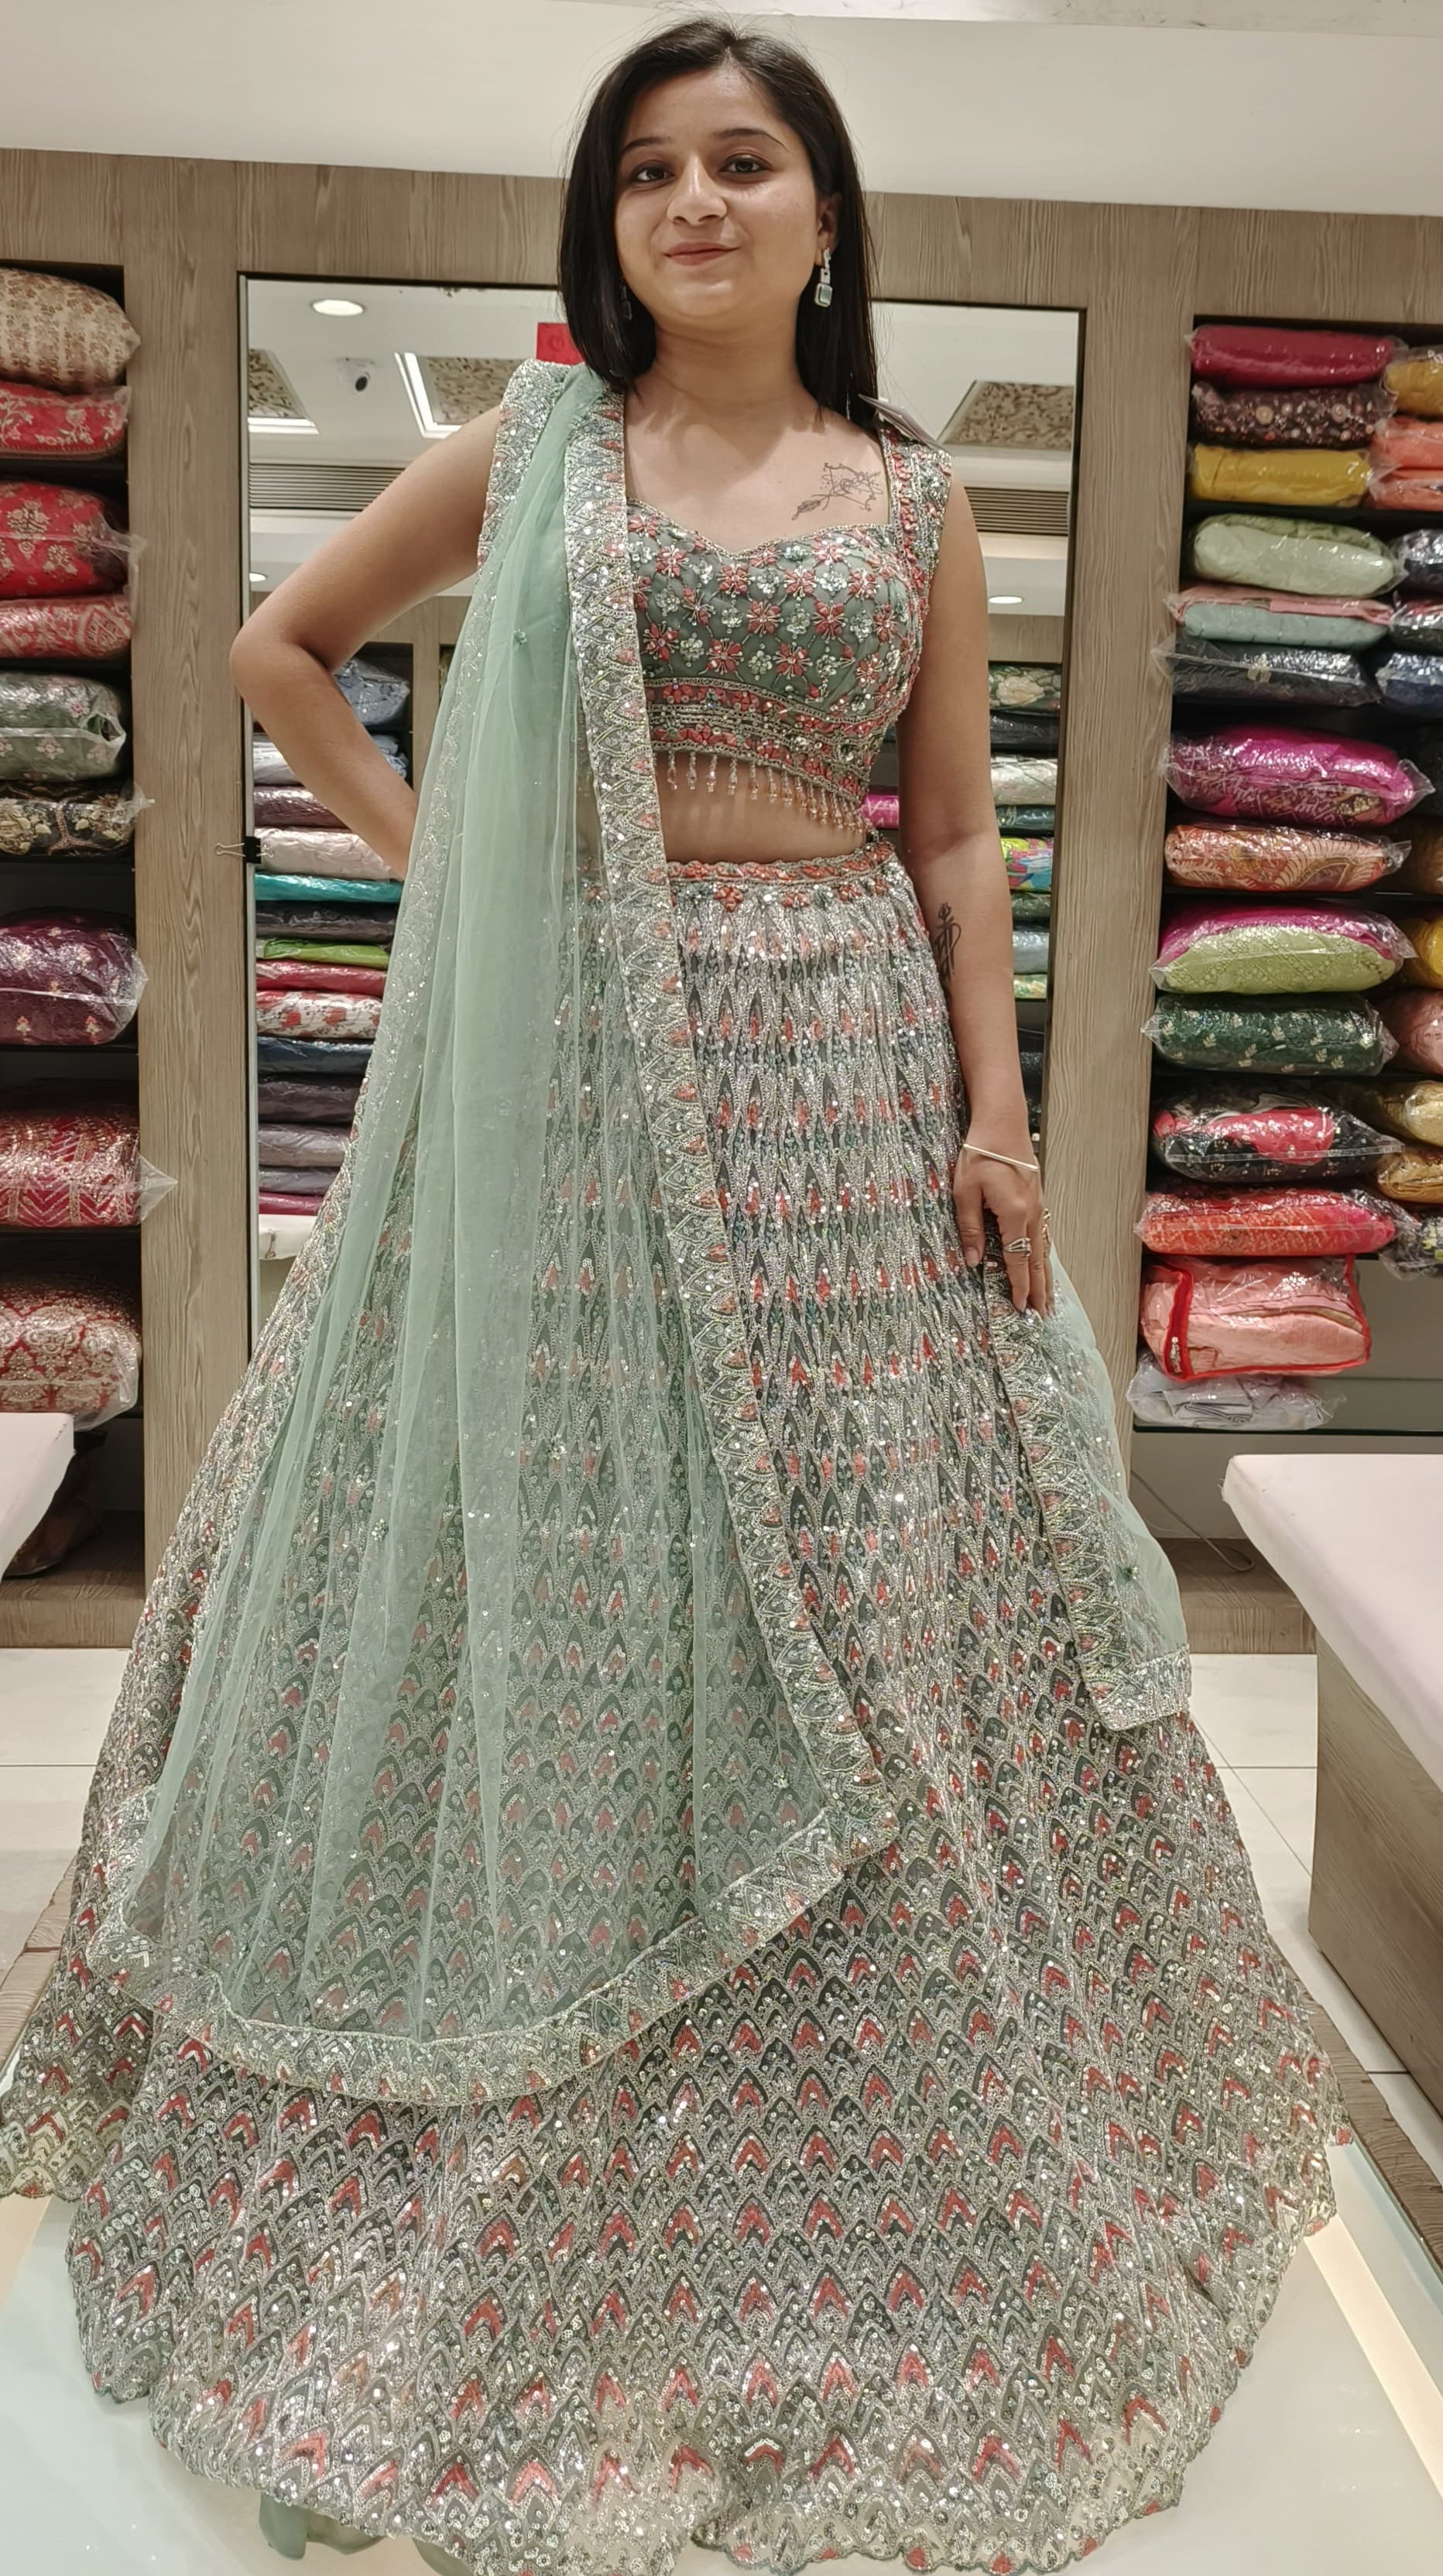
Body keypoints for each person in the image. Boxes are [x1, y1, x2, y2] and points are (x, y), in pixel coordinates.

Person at [1, 19, 1341, 2571]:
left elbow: (954, 841)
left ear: (827, 212)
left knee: (871, 1569)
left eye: (742, 162)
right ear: (606, 222)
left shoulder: (917, 493)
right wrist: (460, 877)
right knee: (562, 1543)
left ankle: (894, 2141)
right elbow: (284, 650)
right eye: (646, 171)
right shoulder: (540, 453)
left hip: (838, 1061)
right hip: (567, 1071)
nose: (694, 203)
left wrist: (997, 1114)